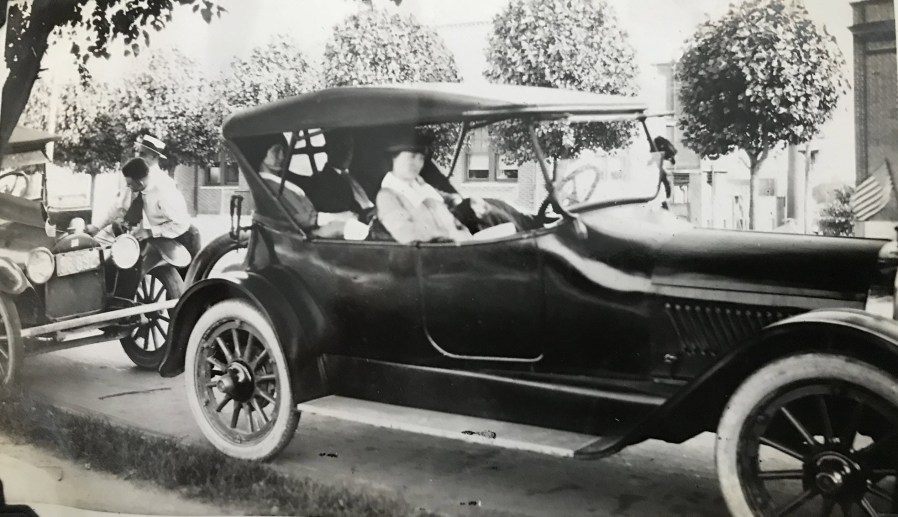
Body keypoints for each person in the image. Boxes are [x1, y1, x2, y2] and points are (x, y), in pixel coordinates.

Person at [247, 134, 359, 239]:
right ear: (261, 153)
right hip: (298, 238)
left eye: (283, 151)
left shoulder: (280, 181)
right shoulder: (267, 186)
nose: (282, 156)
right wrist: (335, 217)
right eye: (276, 151)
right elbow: (289, 218)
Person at [88, 156, 199, 256]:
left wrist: (149, 232)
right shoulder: (132, 188)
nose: (127, 186)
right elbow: (118, 209)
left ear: (140, 183)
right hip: (158, 238)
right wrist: (96, 227)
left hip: (183, 237)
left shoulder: (165, 193)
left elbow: (181, 223)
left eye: (130, 184)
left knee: (182, 277)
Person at [376, 133, 472, 244]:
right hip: (438, 251)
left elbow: (439, 197)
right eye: (411, 157)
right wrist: (449, 233)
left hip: (461, 239)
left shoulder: (418, 184)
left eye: (421, 158)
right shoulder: (388, 196)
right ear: (394, 158)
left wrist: (455, 200)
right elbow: (406, 234)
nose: (417, 163)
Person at [306, 129, 375, 222]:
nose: (346, 151)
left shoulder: (361, 177)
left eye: (349, 146)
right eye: (340, 146)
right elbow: (344, 213)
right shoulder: (322, 182)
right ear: (328, 148)